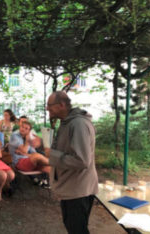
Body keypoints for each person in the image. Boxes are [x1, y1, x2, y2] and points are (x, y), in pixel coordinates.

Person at [44, 91, 98, 234]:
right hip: (71, 188)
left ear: (61, 105)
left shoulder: (78, 124)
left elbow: (81, 160)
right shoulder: (67, 122)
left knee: (77, 230)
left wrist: (52, 154)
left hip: (79, 190)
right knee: (73, 227)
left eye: (50, 105)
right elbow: (66, 149)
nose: (47, 108)